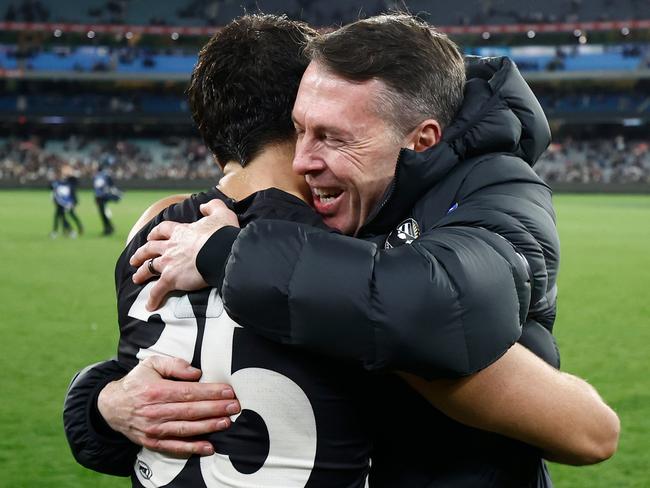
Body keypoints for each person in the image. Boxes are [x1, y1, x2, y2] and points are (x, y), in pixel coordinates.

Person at [65, 13, 619, 488]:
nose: (309, 160)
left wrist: (227, 254)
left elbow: (586, 428)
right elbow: (590, 428)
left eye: (332, 136)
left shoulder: (167, 230)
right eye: (303, 131)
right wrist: (104, 405)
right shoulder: (333, 248)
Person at [66, 15, 374, 486]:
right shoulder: (351, 244)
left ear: (212, 137)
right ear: (306, 118)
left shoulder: (151, 226)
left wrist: (101, 400)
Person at [93, 161, 122, 235]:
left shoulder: (99, 176)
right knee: (104, 213)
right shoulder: (104, 175)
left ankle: (108, 229)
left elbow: (98, 189)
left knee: (103, 214)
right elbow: (111, 186)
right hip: (103, 196)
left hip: (101, 197)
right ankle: (110, 227)